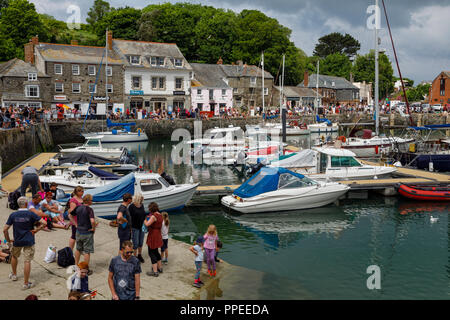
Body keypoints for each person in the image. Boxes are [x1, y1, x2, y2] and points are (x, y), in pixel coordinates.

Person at [3, 196, 47, 289]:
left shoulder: (13, 215)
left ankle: (14, 274)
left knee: (14, 256)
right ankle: (26, 283)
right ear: (26, 204)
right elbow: (44, 222)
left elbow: (5, 229)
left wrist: (8, 240)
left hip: (17, 240)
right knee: (27, 261)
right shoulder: (31, 214)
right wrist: (36, 230)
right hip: (29, 240)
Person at [69, 194, 96, 269]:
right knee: (87, 251)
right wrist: (93, 228)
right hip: (87, 232)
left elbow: (70, 216)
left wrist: (75, 224)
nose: (92, 202)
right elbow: (92, 221)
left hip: (79, 231)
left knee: (78, 249)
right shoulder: (89, 209)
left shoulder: (78, 207)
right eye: (91, 200)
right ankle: (85, 268)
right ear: (88, 201)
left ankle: (75, 265)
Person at [144, 202, 163, 277]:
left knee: (151, 253)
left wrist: (144, 220)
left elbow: (147, 224)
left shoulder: (153, 216)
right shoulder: (160, 215)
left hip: (153, 234)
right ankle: (160, 267)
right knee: (156, 251)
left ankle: (155, 272)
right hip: (158, 233)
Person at [128, 193, 146, 263]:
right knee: (135, 243)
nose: (142, 199)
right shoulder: (131, 207)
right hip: (134, 227)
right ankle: (134, 257)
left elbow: (144, 215)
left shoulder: (142, 205)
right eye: (141, 198)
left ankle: (139, 255)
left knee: (141, 242)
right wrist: (130, 228)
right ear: (138, 198)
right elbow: (129, 218)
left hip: (142, 227)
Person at [68, 186, 84, 250]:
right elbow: (72, 212)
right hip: (76, 220)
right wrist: (75, 224)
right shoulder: (73, 200)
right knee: (74, 236)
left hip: (82, 220)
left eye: (83, 191)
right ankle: (70, 251)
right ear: (77, 192)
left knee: (81, 236)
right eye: (81, 191)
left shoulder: (81, 198)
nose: (82, 192)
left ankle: (80, 249)